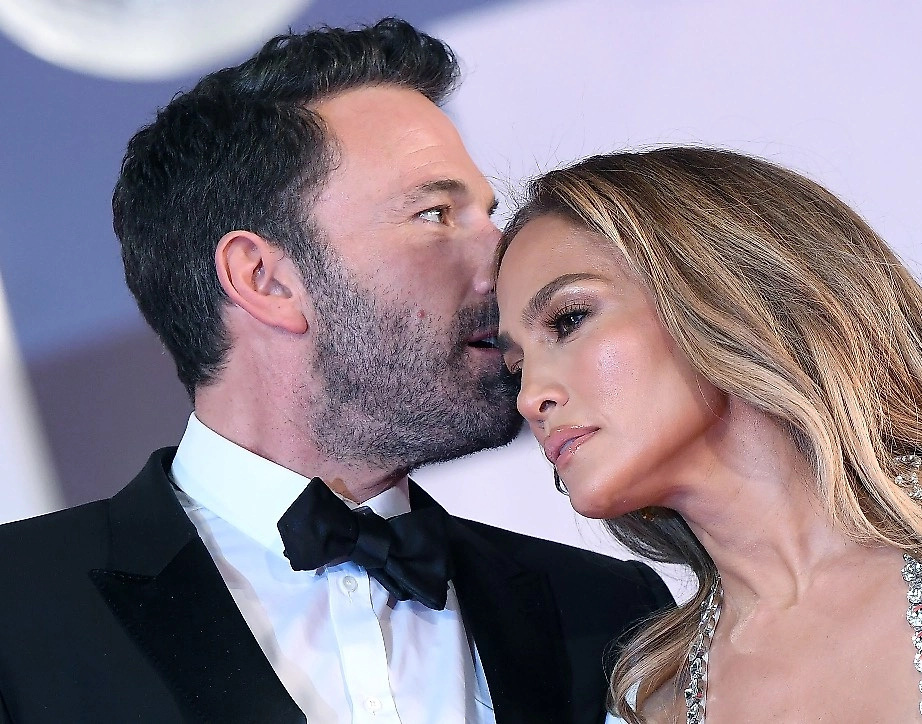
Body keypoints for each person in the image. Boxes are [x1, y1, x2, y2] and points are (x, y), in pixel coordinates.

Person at [0, 20, 673, 724]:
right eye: (436, 214)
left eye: (489, 215)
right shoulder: (16, 611)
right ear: (265, 280)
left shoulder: (608, 612)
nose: (506, 261)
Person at [494, 146, 922, 723]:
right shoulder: (651, 702)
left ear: (719, 286)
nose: (530, 398)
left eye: (568, 320)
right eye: (516, 367)